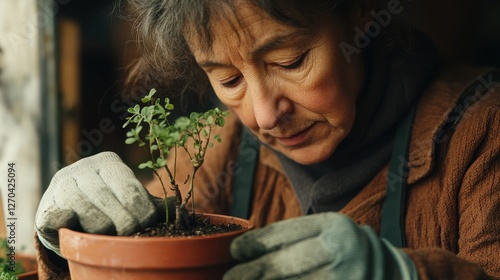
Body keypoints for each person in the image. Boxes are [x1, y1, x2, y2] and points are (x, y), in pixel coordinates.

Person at [34, 0, 500, 279]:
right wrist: (72, 236)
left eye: (291, 61)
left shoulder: (482, 132)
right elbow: (137, 250)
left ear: (362, 13)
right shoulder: (229, 149)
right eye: (230, 79)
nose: (264, 115)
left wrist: (405, 274)